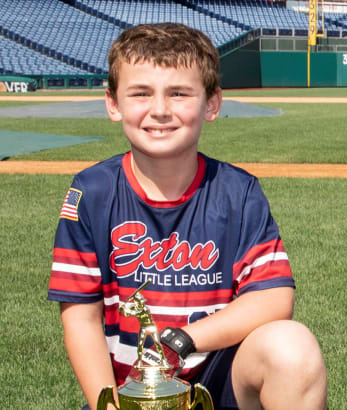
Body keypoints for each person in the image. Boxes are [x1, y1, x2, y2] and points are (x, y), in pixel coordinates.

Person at [47, 23, 327, 410]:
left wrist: (181, 340)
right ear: (113, 104)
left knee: (292, 347)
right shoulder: (91, 192)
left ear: (211, 103)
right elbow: (80, 318)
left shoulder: (238, 191)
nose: (160, 110)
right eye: (141, 93)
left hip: (215, 381)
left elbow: (273, 298)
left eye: (178, 94)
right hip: (128, 389)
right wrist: (107, 403)